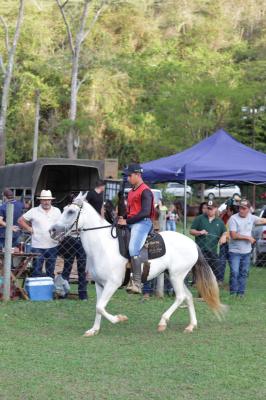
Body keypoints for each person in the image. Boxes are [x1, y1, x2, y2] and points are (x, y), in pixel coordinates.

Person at [118, 163, 154, 294]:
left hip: (143, 222)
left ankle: (137, 283)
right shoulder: (132, 191)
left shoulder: (145, 191)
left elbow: (145, 212)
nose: (128, 178)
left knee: (133, 248)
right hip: (132, 221)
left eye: (130, 175)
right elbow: (131, 211)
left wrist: (127, 221)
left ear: (138, 175)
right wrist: (122, 218)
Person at [18, 190, 61, 278]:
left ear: (51, 200)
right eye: (44, 200)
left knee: (50, 272)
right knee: (36, 271)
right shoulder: (34, 211)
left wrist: (60, 236)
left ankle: (49, 291)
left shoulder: (57, 211)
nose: (46, 202)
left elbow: (60, 225)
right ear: (40, 201)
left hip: (53, 245)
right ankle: (36, 291)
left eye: (48, 200)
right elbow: (20, 220)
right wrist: (29, 228)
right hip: (38, 245)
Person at [228, 199, 266, 297]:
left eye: (244, 208)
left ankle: (241, 293)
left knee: (244, 273)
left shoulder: (252, 217)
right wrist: (248, 237)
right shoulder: (233, 218)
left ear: (248, 209)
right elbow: (233, 235)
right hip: (234, 251)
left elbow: (263, 220)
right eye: (240, 208)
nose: (241, 210)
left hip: (247, 252)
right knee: (235, 272)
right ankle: (233, 293)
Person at [190, 200, 227, 283]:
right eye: (208, 208)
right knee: (200, 268)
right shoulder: (199, 218)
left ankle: (213, 283)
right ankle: (197, 282)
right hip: (200, 249)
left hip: (213, 250)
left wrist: (224, 236)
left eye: (211, 209)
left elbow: (224, 231)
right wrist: (199, 232)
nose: (209, 210)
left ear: (216, 209)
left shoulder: (219, 222)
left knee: (214, 268)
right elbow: (191, 231)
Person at [60, 193, 88, 300]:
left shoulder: (82, 211)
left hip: (81, 239)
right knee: (67, 266)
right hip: (70, 239)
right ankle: (64, 292)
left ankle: (83, 294)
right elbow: (64, 224)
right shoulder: (67, 209)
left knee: (82, 268)